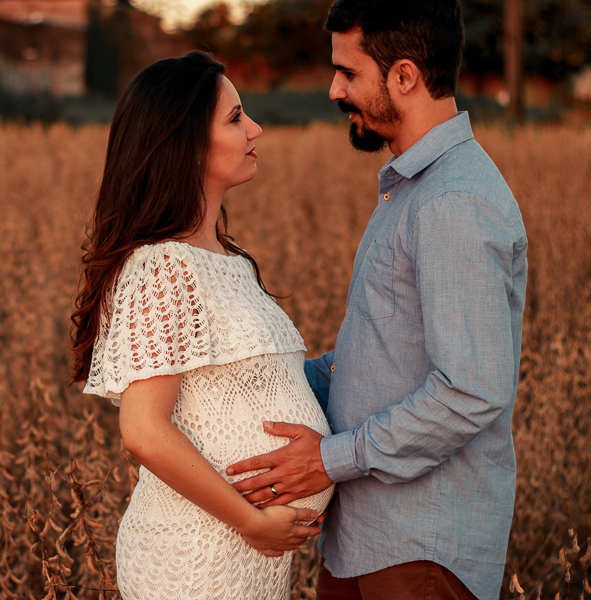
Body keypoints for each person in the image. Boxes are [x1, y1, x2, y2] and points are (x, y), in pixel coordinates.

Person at [225, 2, 528, 599]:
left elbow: (471, 391)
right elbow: (383, 354)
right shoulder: (413, 189)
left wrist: (331, 459)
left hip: (420, 550)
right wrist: (250, 380)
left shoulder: (453, 201)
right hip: (365, 538)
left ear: (405, 77)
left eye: (349, 73)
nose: (335, 89)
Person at [71, 51, 334, 599]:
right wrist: (248, 519)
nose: (254, 129)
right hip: (195, 557)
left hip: (244, 556)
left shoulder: (229, 260)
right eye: (235, 118)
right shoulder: (161, 267)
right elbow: (143, 431)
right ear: (186, 143)